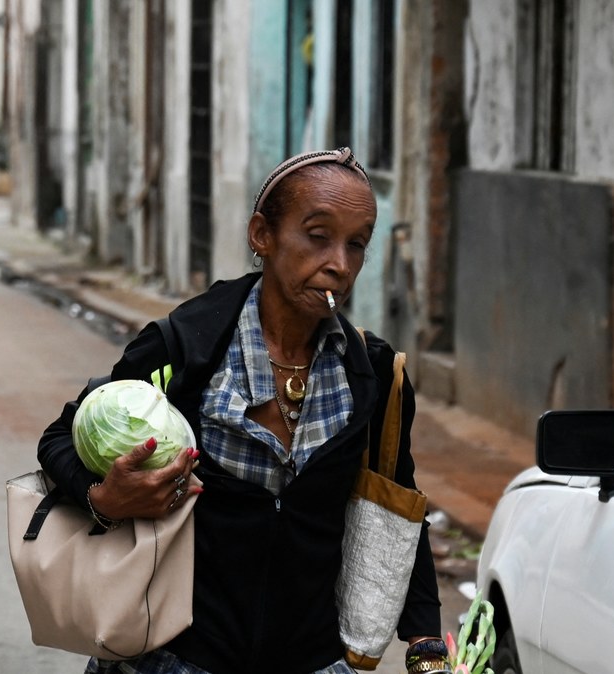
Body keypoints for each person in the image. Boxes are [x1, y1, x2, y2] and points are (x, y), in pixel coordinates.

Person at [37, 147, 446, 674]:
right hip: (175, 659)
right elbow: (59, 436)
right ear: (263, 235)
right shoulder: (186, 346)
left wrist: (426, 642)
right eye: (318, 236)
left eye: (357, 244)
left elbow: (397, 506)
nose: (339, 265)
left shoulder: (372, 374)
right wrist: (104, 498)